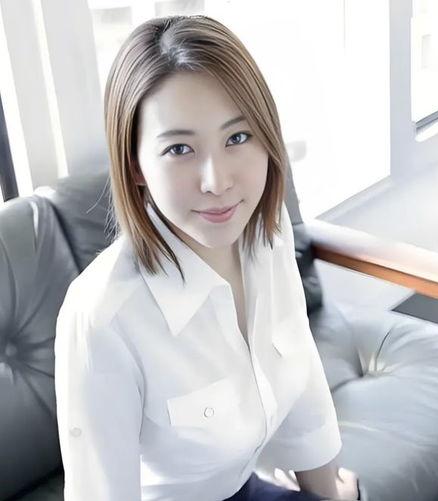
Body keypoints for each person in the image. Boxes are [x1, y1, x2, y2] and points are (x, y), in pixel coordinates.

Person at [54, 14, 363, 501]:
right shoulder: (102, 317)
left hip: (243, 485)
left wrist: (328, 497)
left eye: (237, 138)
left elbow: (300, 370)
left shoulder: (267, 230)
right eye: (180, 148)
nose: (217, 182)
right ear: (136, 166)